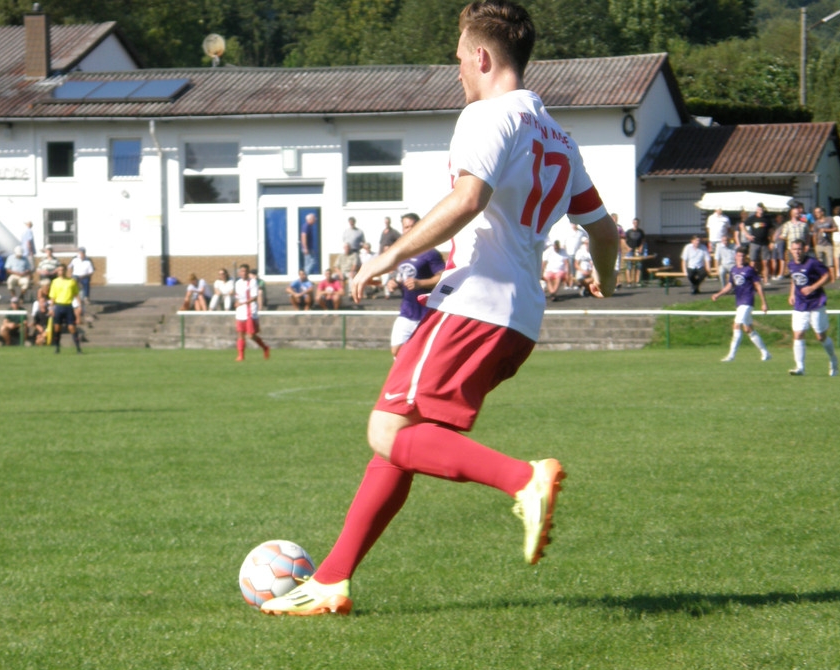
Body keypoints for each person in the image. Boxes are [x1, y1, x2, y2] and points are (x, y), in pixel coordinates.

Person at [261, 0, 619, 616]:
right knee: (404, 440)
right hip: (518, 320)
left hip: (474, 306)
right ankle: (331, 581)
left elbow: (468, 199)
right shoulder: (558, 135)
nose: (457, 71)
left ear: (481, 56)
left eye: (458, 59)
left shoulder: (486, 115)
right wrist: (605, 282)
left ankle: (524, 479)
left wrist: (386, 256)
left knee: (386, 430)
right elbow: (604, 231)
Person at [384, 212, 445, 356]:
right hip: (407, 311)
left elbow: (443, 277)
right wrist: (394, 283)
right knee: (396, 350)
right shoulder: (402, 253)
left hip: (427, 313)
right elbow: (401, 276)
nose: (409, 230)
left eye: (413, 226)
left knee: (426, 354)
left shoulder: (431, 253)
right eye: (406, 227)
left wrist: (421, 283)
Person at [787, 239, 838, 377]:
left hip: (816, 302)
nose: (797, 252)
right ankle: (800, 367)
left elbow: (828, 276)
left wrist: (813, 287)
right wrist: (792, 294)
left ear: (804, 249)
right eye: (794, 249)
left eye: (799, 249)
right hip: (800, 303)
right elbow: (794, 279)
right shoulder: (791, 264)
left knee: (820, 336)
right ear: (790, 250)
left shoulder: (812, 263)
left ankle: (833, 359)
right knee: (798, 334)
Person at [711, 247, 771, 362]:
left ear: (746, 257)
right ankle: (765, 353)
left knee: (736, 325)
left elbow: (758, 286)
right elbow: (730, 285)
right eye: (739, 256)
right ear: (735, 257)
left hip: (747, 301)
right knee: (748, 329)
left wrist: (764, 302)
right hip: (739, 302)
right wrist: (718, 294)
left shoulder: (750, 270)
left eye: (743, 256)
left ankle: (731, 355)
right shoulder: (734, 270)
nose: (741, 258)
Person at [233, 263, 269, 361]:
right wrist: (237, 303)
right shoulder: (237, 283)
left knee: (251, 335)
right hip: (240, 311)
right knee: (240, 333)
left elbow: (254, 297)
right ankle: (241, 356)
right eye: (242, 271)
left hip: (250, 311)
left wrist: (242, 303)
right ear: (239, 272)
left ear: (248, 272)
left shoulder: (252, 282)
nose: (244, 273)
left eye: (246, 271)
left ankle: (265, 347)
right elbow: (237, 296)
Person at [48, 264, 82, 354]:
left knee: (72, 327)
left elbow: (76, 294)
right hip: (59, 306)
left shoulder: (71, 281)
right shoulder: (55, 282)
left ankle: (78, 348)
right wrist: (51, 308)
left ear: (65, 271)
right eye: (59, 270)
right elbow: (53, 297)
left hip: (68, 306)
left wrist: (79, 306)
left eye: (62, 270)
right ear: (57, 271)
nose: (61, 272)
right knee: (57, 328)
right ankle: (57, 348)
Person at [745, 204, 771, 279]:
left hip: (765, 243)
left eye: (761, 209)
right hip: (754, 242)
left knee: (765, 262)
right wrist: (747, 235)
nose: (760, 210)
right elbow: (742, 225)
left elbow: (771, 229)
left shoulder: (767, 219)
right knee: (753, 262)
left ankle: (766, 280)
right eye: (759, 209)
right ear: (756, 210)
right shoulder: (752, 218)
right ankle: (752, 279)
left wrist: (771, 240)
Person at [811, 206, 836, 282]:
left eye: (818, 212)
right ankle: (821, 279)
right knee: (819, 263)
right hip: (819, 245)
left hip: (828, 244)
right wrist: (815, 246)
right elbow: (814, 235)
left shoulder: (829, 219)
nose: (816, 214)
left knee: (830, 263)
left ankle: (833, 280)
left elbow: (836, 228)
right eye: (815, 213)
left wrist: (826, 230)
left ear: (822, 212)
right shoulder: (816, 223)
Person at [338, 216, 365, 282]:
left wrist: (360, 247)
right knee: (347, 264)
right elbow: (344, 240)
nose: (351, 223)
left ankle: (357, 279)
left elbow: (363, 242)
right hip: (347, 251)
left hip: (355, 250)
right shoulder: (346, 231)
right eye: (350, 222)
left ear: (354, 222)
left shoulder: (359, 231)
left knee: (356, 265)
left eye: (352, 222)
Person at [623, 218, 646, 287]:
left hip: (638, 251)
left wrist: (641, 247)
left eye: (637, 223)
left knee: (639, 266)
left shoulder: (641, 232)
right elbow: (623, 240)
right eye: (634, 222)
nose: (636, 224)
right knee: (628, 265)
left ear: (638, 223)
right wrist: (627, 248)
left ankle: (637, 281)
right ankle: (629, 282)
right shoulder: (628, 231)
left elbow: (643, 240)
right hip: (630, 250)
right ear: (633, 223)